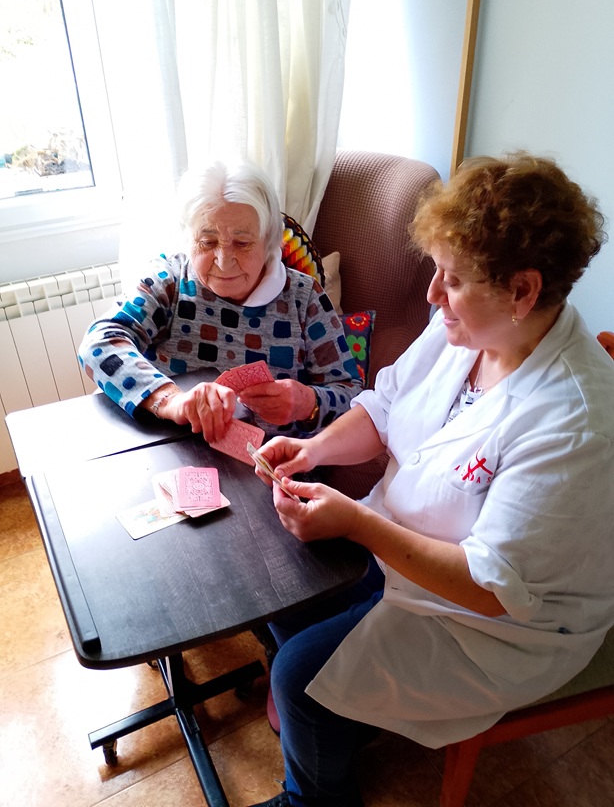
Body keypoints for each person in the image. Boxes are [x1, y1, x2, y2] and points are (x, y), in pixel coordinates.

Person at [247, 152, 614, 807]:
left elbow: (491, 588)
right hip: (405, 544)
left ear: (523, 290)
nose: (430, 294)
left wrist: (358, 522)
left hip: (496, 625)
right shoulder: (469, 324)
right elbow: (386, 407)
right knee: (279, 587)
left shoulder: (575, 423)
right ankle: (345, 721)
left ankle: (314, 798)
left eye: (453, 278)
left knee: (300, 678)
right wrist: (311, 450)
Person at [78, 160, 362, 441]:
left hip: (272, 466)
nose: (224, 263)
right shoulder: (170, 280)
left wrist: (307, 402)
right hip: (175, 450)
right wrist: (171, 401)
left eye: (242, 243)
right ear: (188, 239)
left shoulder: (304, 296)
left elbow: (354, 395)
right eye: (207, 241)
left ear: (271, 241)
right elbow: (98, 342)